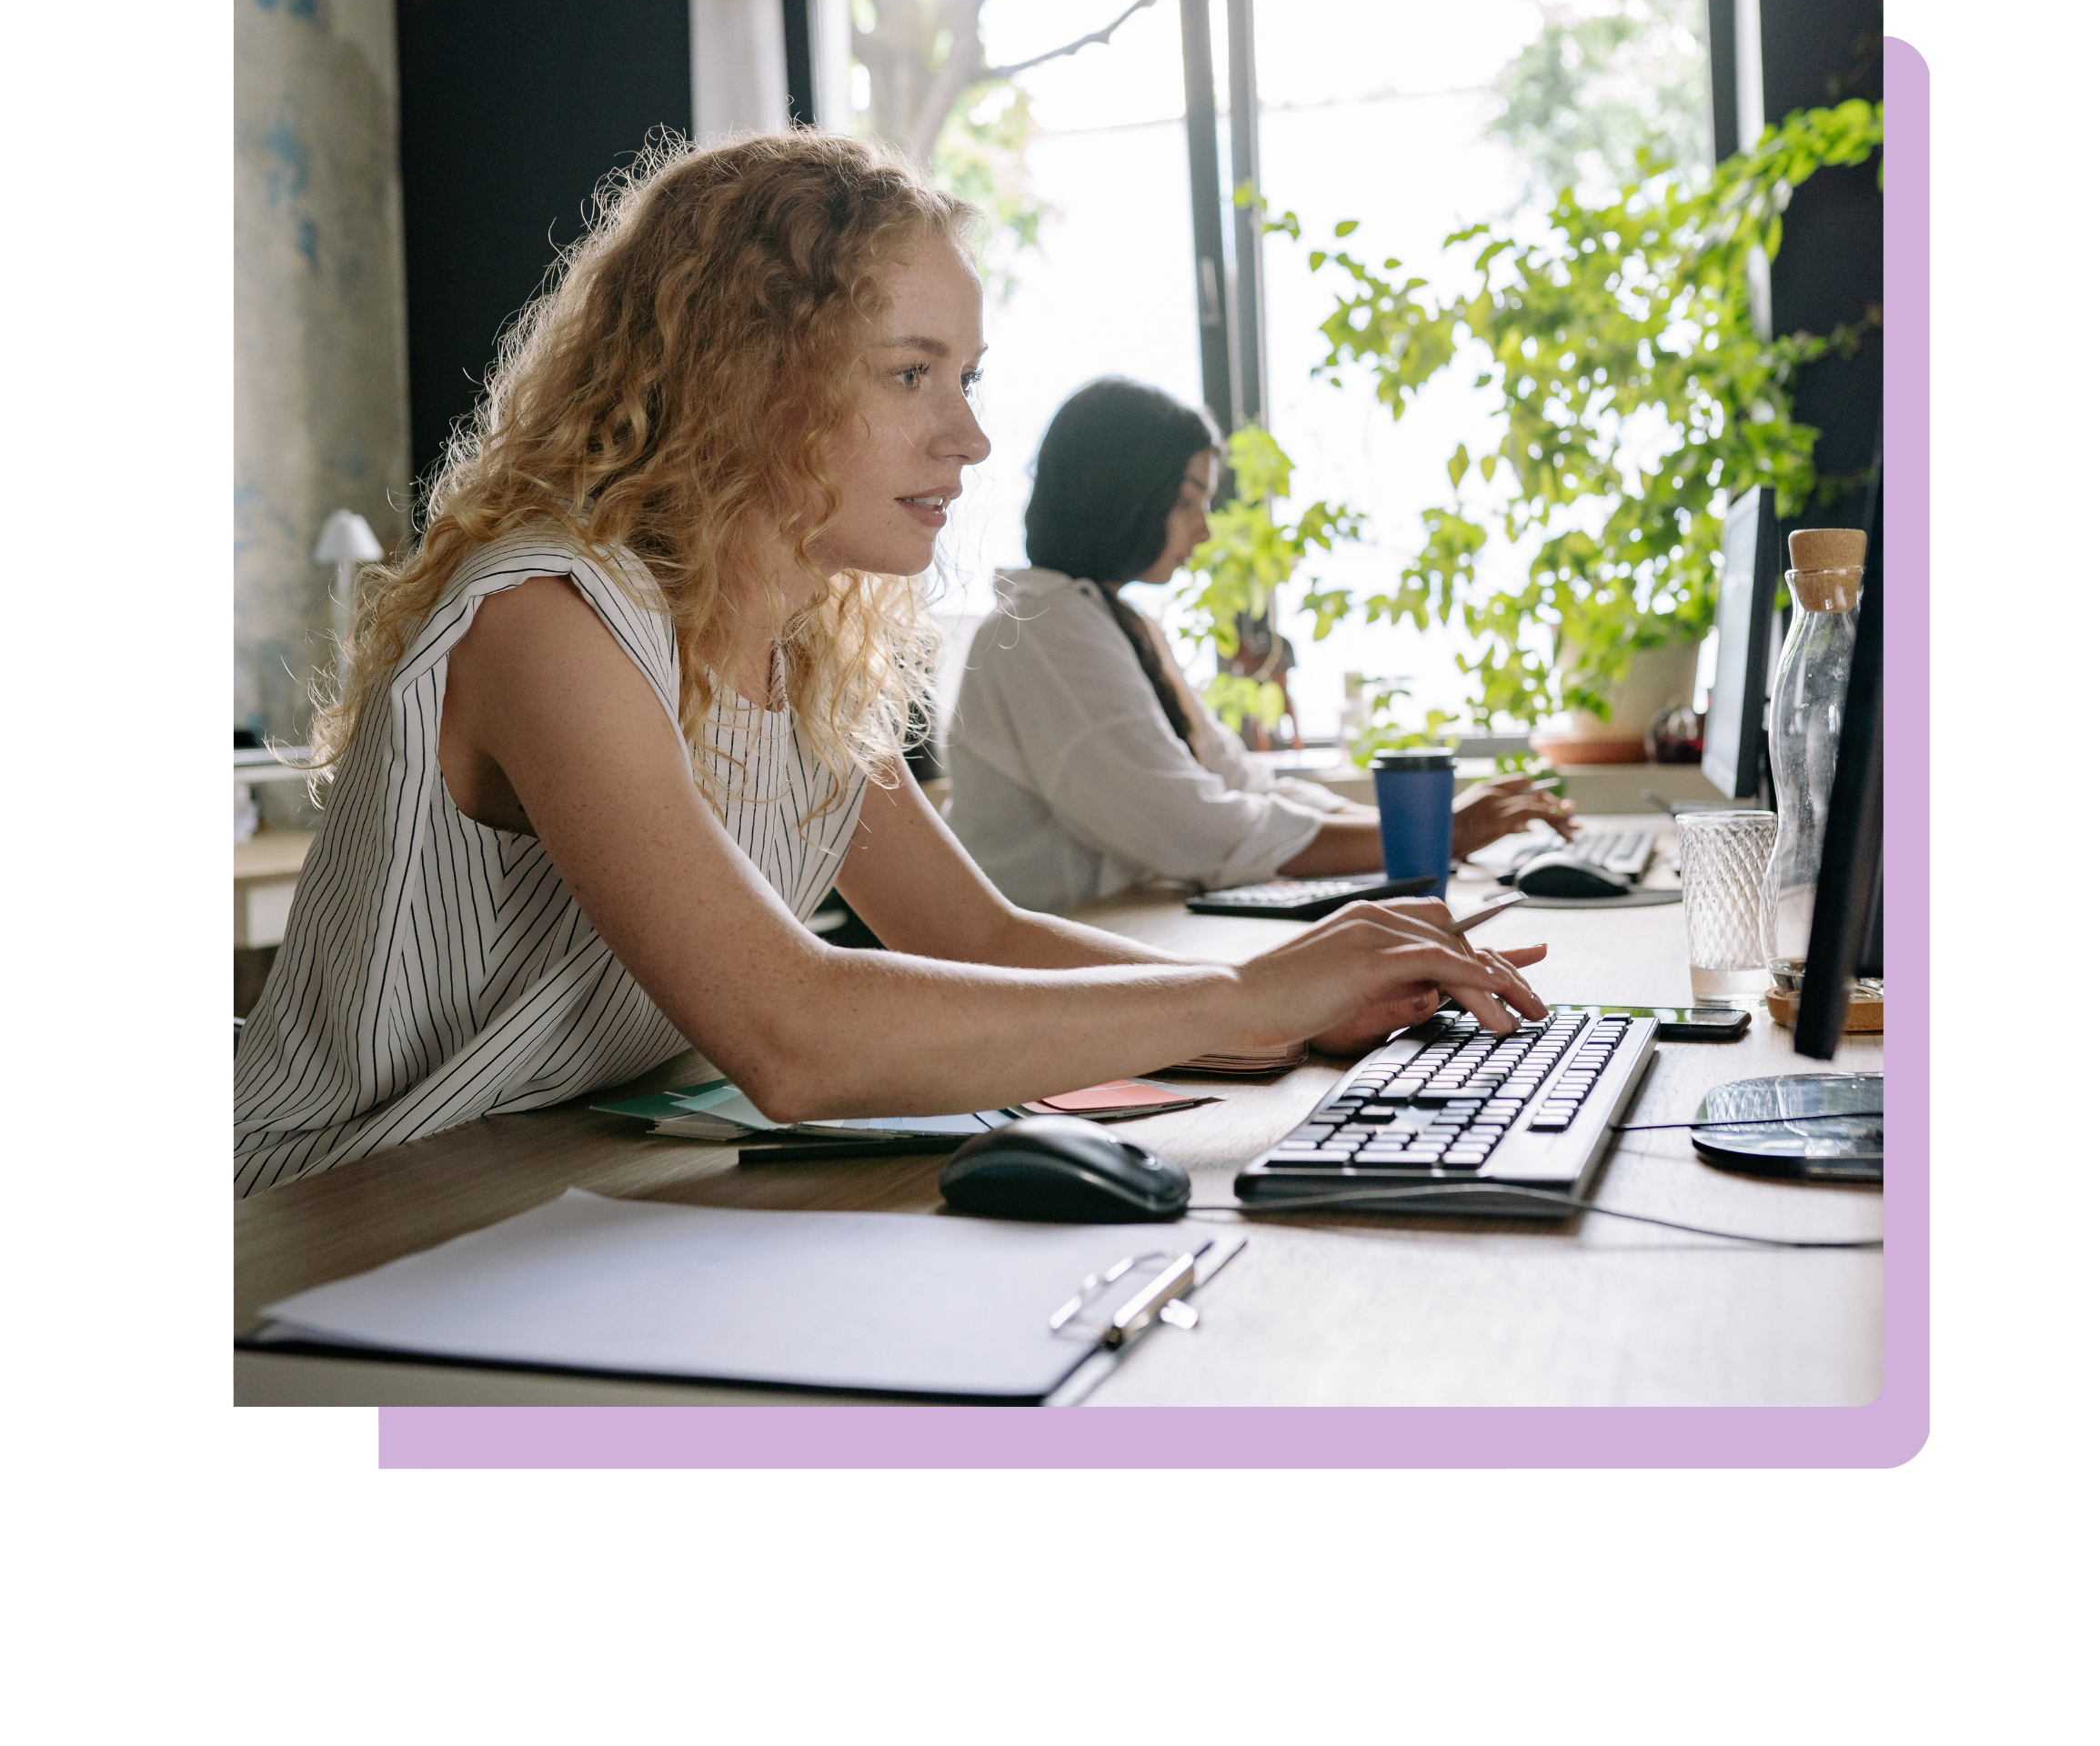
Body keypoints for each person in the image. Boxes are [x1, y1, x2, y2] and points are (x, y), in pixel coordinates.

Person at [233, 134, 1548, 1197]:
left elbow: (975, 938)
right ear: (746, 379)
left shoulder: (801, 649)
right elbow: (793, 1035)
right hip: (336, 1211)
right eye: (913, 375)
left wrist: (1292, 1011)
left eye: (967, 375)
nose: (970, 438)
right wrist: (1247, 990)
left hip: (540, 1185)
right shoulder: (548, 622)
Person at [945, 377, 1576, 915]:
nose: (1206, 527)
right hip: (1062, 967)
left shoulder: (1111, 621)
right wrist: (1440, 834)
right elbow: (1193, 829)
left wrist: (1430, 834)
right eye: (1188, 499)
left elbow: (1237, 779)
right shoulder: (1041, 631)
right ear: (1125, 494)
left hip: (1125, 933)